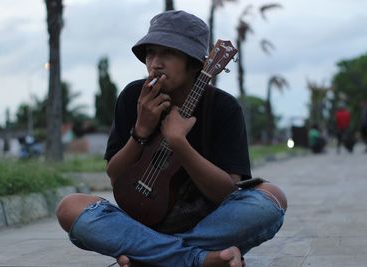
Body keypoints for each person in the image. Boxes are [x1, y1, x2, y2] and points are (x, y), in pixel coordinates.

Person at [56, 10, 287, 267]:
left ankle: (149, 256)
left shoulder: (223, 108)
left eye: (168, 53)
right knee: (70, 207)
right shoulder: (133, 97)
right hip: (138, 221)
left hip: (205, 223)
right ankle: (199, 259)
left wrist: (179, 142)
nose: (155, 63)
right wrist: (140, 131)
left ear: (196, 63)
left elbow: (226, 192)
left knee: (272, 199)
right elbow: (114, 174)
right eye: (151, 53)